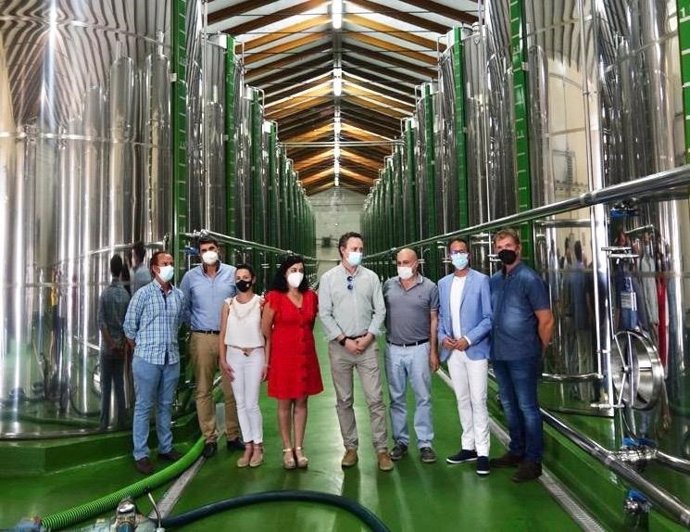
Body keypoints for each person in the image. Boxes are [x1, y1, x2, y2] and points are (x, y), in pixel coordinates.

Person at [318, 231, 393, 472]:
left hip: (367, 345)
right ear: (342, 249)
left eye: (360, 249)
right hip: (340, 348)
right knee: (344, 400)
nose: (358, 253)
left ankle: (382, 450)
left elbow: (380, 311)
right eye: (354, 249)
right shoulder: (328, 279)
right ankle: (350, 447)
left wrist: (369, 336)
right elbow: (325, 313)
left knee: (375, 400)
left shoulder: (371, 278)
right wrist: (344, 340)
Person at [489, 228, 554, 482]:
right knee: (509, 405)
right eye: (499, 246)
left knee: (527, 407)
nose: (503, 250)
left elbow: (546, 320)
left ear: (518, 248)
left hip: (523, 354)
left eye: (508, 245)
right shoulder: (494, 280)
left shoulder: (529, 279)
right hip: (500, 354)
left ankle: (533, 460)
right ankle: (516, 451)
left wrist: (539, 348)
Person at [179, 235, 243, 459]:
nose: (209, 252)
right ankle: (210, 437)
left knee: (231, 389)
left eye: (212, 248)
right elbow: (183, 305)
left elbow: (242, 302)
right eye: (204, 249)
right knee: (203, 389)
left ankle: (234, 435)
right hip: (202, 337)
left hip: (230, 338)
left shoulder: (232, 273)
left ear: (219, 250)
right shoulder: (190, 278)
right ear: (199, 253)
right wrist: (196, 326)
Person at [124, 250, 186, 475]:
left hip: (171, 359)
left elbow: (179, 322)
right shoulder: (142, 295)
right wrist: (141, 349)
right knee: (143, 406)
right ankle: (140, 453)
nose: (169, 266)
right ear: (154, 268)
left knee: (165, 405)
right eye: (164, 263)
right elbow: (129, 327)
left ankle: (165, 447)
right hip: (147, 360)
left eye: (171, 262)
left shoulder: (178, 295)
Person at [262, 255, 323, 469]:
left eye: (300, 269)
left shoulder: (310, 297)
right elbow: (265, 329)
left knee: (302, 402)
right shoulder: (274, 297)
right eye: (292, 270)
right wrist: (268, 358)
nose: (297, 273)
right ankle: (287, 449)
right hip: (283, 356)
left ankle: (299, 447)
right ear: (284, 273)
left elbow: (311, 322)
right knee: (284, 402)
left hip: (305, 354)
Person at [437, 239, 493, 475]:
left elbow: (489, 318)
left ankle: (483, 452)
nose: (458, 255)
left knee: (478, 399)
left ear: (468, 254)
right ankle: (467, 446)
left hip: (474, 350)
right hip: (453, 351)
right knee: (461, 398)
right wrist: (443, 337)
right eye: (454, 252)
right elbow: (440, 316)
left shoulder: (481, 281)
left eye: (461, 251)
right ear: (449, 256)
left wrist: (468, 339)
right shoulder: (443, 283)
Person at [383, 248, 439, 464]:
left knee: (423, 397)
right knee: (396, 398)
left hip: (419, 348)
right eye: (399, 263)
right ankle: (401, 441)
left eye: (406, 262)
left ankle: (425, 443)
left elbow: (434, 319)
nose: (402, 267)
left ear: (417, 264)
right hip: (393, 348)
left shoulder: (430, 287)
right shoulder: (388, 285)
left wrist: (433, 351)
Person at [219, 264, 266, 468]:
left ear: (253, 279)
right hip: (233, 355)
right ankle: (247, 445)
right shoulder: (228, 304)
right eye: (238, 277)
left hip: (255, 354)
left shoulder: (261, 303)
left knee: (251, 403)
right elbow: (222, 333)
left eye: (246, 276)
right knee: (239, 403)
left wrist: (267, 361)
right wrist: (222, 358)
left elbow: (267, 334)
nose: (242, 280)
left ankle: (258, 446)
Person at [98, 254, 131, 431]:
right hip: (121, 349)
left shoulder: (105, 294)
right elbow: (128, 324)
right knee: (120, 384)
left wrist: (110, 344)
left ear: (111, 270)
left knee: (106, 385)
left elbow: (102, 323)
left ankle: (103, 424)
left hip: (107, 349)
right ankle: (122, 422)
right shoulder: (126, 296)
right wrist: (121, 345)